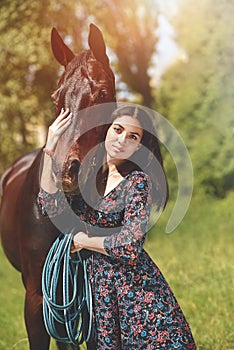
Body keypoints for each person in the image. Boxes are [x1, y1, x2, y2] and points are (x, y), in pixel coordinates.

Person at [38, 105, 196, 349]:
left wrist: (81, 242)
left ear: (140, 146)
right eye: (118, 130)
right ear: (107, 131)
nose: (122, 140)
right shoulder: (87, 173)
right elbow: (51, 205)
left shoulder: (137, 182)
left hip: (132, 287)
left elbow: (130, 245)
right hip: (97, 288)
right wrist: (51, 145)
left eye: (133, 136)